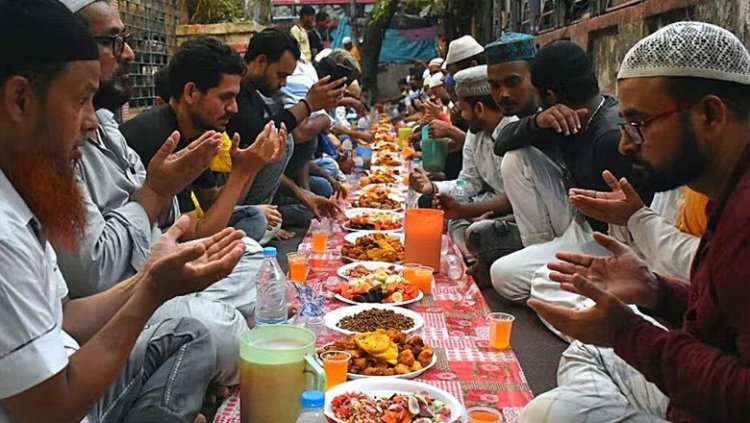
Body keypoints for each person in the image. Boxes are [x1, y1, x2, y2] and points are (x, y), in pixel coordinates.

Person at [0, 2, 245, 422]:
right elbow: (51, 408)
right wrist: (151, 290)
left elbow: (64, 316)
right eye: (80, 101)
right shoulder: (5, 231)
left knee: (196, 334)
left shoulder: (26, 192)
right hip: (60, 403)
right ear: (20, 99)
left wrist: (152, 274)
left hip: (72, 369)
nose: (91, 121)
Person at [522, 21, 750, 422]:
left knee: (546, 413)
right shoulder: (725, 194)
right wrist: (656, 292)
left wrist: (628, 333)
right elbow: (721, 327)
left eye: (639, 125)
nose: (626, 143)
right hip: (692, 390)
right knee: (585, 350)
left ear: (711, 114)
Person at [56, 0, 275, 386]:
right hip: (124, 294)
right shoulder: (56, 148)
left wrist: (167, 220)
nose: (129, 53)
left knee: (256, 261)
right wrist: (158, 194)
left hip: (153, 268)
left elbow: (178, 225)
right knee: (219, 329)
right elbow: (97, 274)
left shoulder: (107, 125)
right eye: (113, 41)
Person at [487, 40, 645, 339]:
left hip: (612, 243)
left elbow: (629, 232)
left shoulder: (610, 136)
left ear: (550, 94)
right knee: (506, 275)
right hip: (577, 227)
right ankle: (560, 284)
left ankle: (604, 331)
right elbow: (502, 142)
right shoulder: (562, 118)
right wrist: (536, 122)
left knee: (532, 282)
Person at [121, 37, 286, 243]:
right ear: (191, 92)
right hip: (146, 245)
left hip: (179, 231)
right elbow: (200, 234)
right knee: (248, 235)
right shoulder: (163, 140)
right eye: (225, 97)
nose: (234, 108)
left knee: (253, 218)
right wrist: (241, 172)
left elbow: (209, 202)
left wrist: (250, 166)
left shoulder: (194, 133)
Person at [227, 28, 344, 236]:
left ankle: (267, 215)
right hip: (230, 203)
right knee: (283, 138)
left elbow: (261, 159)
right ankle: (261, 216)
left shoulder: (256, 98)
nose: (283, 84)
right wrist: (307, 105)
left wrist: (303, 194)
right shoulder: (236, 99)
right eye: (280, 75)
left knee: (320, 189)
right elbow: (260, 139)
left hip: (251, 194)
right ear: (261, 61)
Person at [410, 65, 521, 268]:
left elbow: (515, 200)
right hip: (484, 206)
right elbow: (468, 182)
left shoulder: (515, 132)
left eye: (464, 110)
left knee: (478, 233)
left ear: (479, 108)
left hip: (517, 216)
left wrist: (467, 211)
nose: (462, 117)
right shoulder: (474, 134)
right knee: (433, 208)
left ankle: (480, 257)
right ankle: (476, 256)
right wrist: (432, 188)